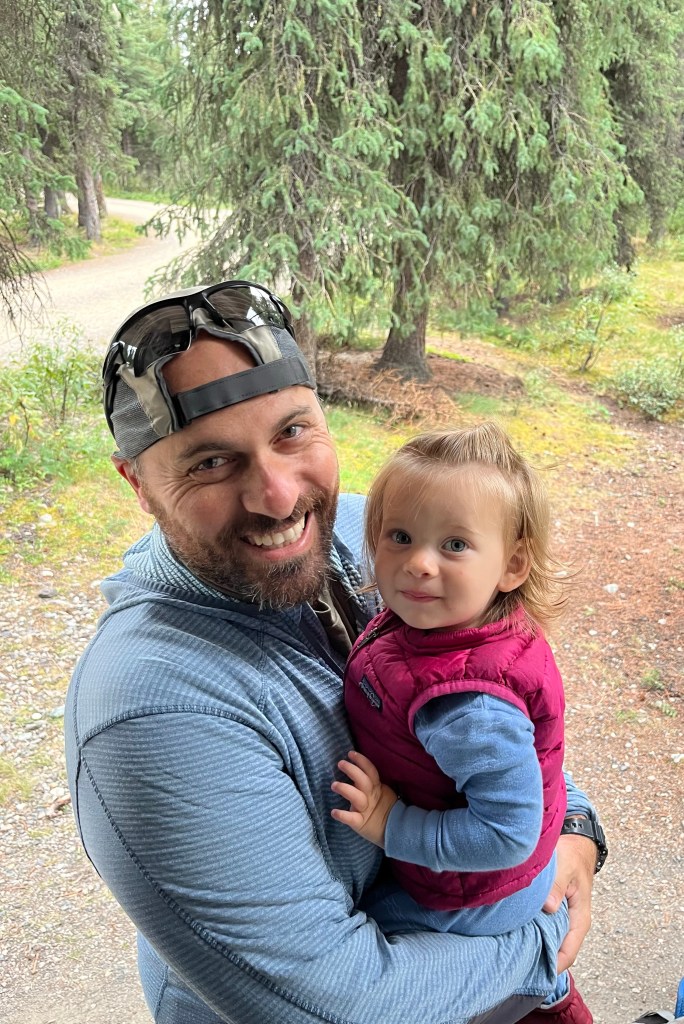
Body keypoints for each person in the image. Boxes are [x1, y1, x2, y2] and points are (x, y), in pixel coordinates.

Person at [64, 281, 606, 1024]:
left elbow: (493, 699)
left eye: (292, 432)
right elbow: (340, 1003)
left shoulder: (363, 534)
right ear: (139, 484)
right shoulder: (152, 710)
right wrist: (540, 941)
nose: (280, 496)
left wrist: (575, 826)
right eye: (211, 463)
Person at [331, 424, 593, 1023]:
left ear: (513, 564)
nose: (419, 563)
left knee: (373, 934)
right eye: (400, 536)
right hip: (495, 874)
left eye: (454, 544)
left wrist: (392, 825)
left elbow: (507, 833)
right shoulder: (449, 627)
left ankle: (535, 992)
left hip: (478, 893)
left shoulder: (469, 705)